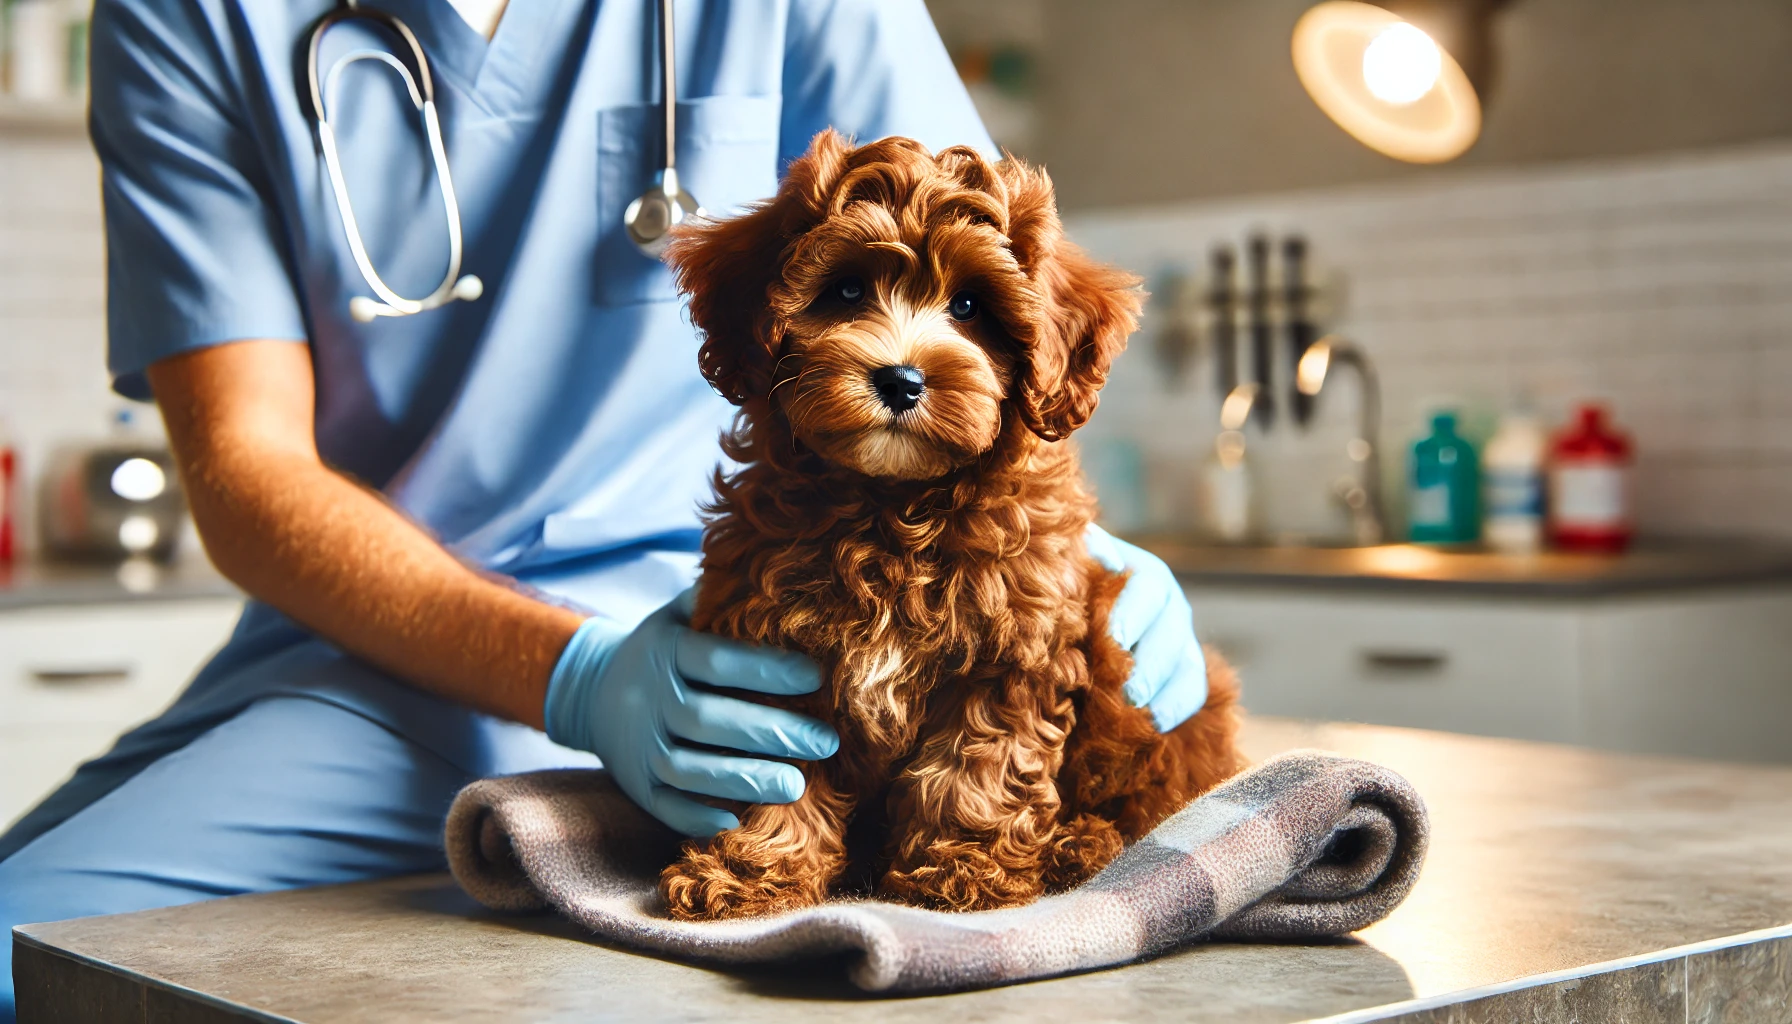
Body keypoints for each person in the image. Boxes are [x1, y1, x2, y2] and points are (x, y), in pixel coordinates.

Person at [0, 0, 1209, 1016]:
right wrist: (579, 677)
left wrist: (1059, 560)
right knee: (24, 946)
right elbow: (246, 475)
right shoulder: (194, 14)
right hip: (377, 664)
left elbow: (977, 255)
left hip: (754, 658)